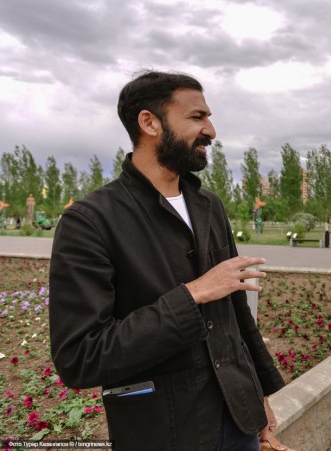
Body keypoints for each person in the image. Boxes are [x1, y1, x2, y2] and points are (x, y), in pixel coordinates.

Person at [49, 71, 291, 451]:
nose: (211, 130)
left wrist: (258, 394)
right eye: (197, 117)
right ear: (149, 123)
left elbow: (237, 316)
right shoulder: (90, 221)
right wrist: (192, 295)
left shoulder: (209, 206)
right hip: (166, 432)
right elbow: (81, 357)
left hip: (239, 420)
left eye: (208, 117)